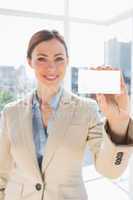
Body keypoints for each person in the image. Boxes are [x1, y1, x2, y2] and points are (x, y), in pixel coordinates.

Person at [0, 29, 133, 200]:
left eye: (59, 58)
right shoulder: (11, 112)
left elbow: (110, 170)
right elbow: (1, 172)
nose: (51, 67)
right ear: (29, 61)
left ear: (67, 62)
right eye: (41, 58)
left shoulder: (86, 109)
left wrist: (118, 122)